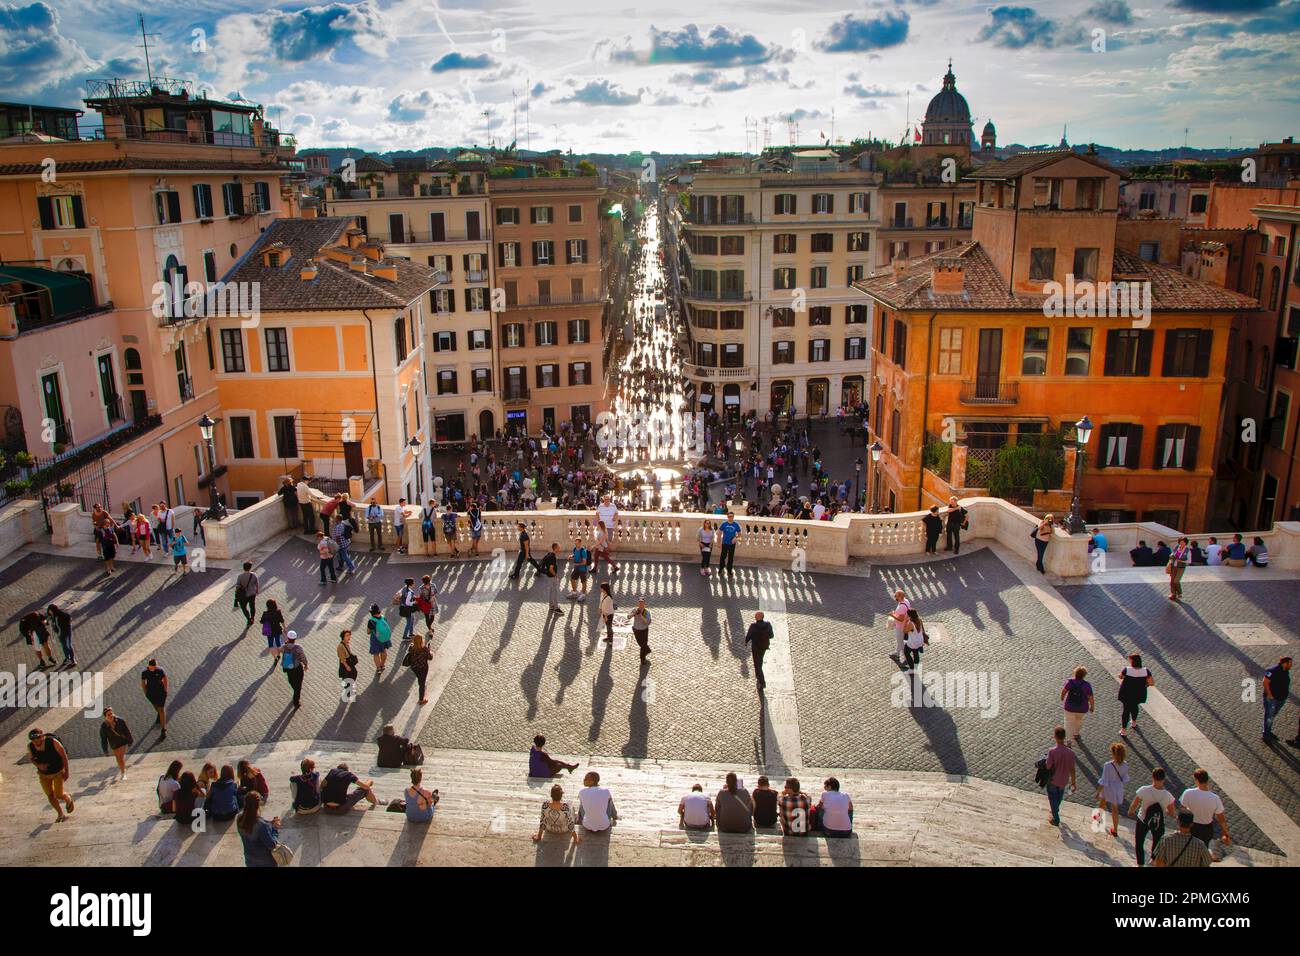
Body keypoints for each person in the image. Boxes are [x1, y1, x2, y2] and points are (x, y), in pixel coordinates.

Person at [1130, 767, 1176, 867]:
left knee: (1139, 843)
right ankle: (1154, 860)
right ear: (1164, 779)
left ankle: (1140, 864)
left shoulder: (1144, 790)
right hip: (1158, 822)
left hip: (1143, 819)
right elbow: (1172, 812)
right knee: (1157, 842)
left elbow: (1135, 804)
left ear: (1152, 777)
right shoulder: (1168, 796)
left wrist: (1131, 811)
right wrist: (1166, 810)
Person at [1179, 768, 1231, 855]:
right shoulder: (1215, 798)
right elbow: (1221, 819)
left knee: (1188, 849)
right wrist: (1226, 833)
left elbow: (1182, 811)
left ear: (1196, 780)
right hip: (1206, 829)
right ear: (1207, 780)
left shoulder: (1188, 793)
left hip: (1191, 826)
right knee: (1202, 850)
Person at [28, 728, 74, 822]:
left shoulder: (52, 742)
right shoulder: (30, 746)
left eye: (38, 738)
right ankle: (60, 814)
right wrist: (39, 765)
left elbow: (64, 756)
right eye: (33, 739)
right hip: (44, 775)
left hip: (57, 771)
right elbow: (32, 758)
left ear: (43, 736)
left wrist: (67, 771)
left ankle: (67, 798)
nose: (36, 741)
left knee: (59, 794)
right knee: (50, 795)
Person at [237, 792, 282, 868]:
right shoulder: (261, 825)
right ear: (258, 805)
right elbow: (272, 845)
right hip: (265, 862)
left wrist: (270, 824)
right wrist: (275, 828)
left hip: (249, 859)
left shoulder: (240, 818)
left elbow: (252, 825)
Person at [1095, 741, 1129, 837]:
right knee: (1115, 809)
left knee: (1102, 804)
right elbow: (1125, 778)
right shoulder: (1125, 765)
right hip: (1118, 788)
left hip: (1108, 788)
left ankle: (1098, 821)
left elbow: (1104, 780)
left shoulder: (1108, 765)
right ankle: (1115, 829)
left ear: (1113, 754)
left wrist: (1098, 792)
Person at [1045, 726, 1076, 827]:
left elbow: (1048, 766)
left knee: (1052, 798)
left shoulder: (1052, 751)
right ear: (1064, 737)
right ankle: (1055, 811)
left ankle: (1056, 818)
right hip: (1064, 780)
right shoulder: (1071, 753)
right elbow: (1072, 769)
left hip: (1053, 780)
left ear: (1055, 737)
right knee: (1059, 798)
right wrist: (1073, 782)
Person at [1117, 653, 1153, 737]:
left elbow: (1121, 676)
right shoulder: (1145, 671)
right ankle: (1133, 722)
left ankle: (1123, 730)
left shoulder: (1127, 670)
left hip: (1126, 692)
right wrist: (1145, 684)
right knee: (1134, 706)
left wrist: (1120, 675)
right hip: (1138, 693)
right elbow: (1151, 683)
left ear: (1132, 661)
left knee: (1126, 710)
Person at [1061, 666, 1095, 742]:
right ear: (1084, 675)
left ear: (1075, 673)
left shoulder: (1070, 682)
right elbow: (1090, 697)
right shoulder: (1087, 685)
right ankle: (1076, 733)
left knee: (1068, 723)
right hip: (1082, 708)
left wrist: (1062, 697)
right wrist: (1092, 706)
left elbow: (1064, 691)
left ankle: (1069, 740)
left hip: (1069, 707)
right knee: (1079, 720)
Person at [1261, 656, 1291, 742]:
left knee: (1272, 716)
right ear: (1285, 663)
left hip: (1281, 698)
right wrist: (1270, 695)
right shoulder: (1272, 670)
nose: (1291, 665)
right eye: (1290, 663)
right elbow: (1265, 682)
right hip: (1272, 699)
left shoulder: (1286, 671)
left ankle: (1267, 731)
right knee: (1269, 716)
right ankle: (1266, 735)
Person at [98, 707, 134, 780]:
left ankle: (123, 773)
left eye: (111, 713)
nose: (111, 715)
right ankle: (122, 769)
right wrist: (105, 751)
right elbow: (103, 739)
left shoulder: (120, 721)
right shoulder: (104, 726)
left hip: (122, 741)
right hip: (113, 744)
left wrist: (130, 741)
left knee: (120, 757)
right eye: (108, 715)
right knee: (118, 758)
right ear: (105, 717)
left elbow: (127, 731)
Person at [744, 610, 773, 690]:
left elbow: (749, 636)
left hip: (755, 648)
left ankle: (761, 681)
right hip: (764, 647)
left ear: (756, 618)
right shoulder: (768, 625)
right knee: (760, 662)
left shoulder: (753, 626)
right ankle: (759, 678)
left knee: (757, 665)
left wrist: (746, 641)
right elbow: (771, 635)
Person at [141, 658, 169, 740]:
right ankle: (159, 715)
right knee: (156, 706)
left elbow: (165, 679)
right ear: (149, 666)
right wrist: (146, 693)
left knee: (161, 709)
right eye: (152, 667)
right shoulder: (144, 672)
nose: (153, 668)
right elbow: (143, 683)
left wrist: (165, 690)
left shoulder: (160, 670)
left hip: (160, 692)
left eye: (155, 667)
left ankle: (163, 729)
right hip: (151, 693)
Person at [403, 631, 433, 705]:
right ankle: (421, 700)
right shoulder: (424, 649)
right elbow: (430, 658)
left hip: (414, 667)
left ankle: (421, 682)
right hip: (423, 667)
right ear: (421, 641)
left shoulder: (411, 648)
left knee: (419, 677)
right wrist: (430, 652)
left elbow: (410, 652)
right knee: (422, 684)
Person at [280, 632, 308, 709]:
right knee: (298, 686)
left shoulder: (284, 647)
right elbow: (303, 657)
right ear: (295, 639)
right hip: (297, 668)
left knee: (291, 681)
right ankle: (296, 702)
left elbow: (280, 650)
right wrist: (305, 664)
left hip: (288, 669)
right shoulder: (298, 648)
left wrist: (286, 644)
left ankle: (295, 691)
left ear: (288, 638)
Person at [45, 603, 74, 668]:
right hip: (60, 633)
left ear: (52, 610)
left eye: (50, 611)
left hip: (66, 632)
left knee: (69, 645)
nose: (49, 612)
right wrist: (46, 621)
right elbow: (48, 619)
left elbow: (69, 618)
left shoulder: (62, 614)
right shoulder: (53, 615)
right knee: (64, 646)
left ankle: (72, 660)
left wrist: (65, 626)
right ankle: (67, 658)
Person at [367, 604, 393, 675]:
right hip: (384, 638)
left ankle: (378, 668)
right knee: (383, 651)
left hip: (376, 639)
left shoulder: (371, 621)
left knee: (376, 654)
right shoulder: (383, 617)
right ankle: (382, 665)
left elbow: (368, 632)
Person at [889, 589, 911, 665]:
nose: (895, 598)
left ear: (900, 597)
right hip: (903, 625)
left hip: (900, 627)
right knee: (899, 641)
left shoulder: (902, 606)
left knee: (901, 643)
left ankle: (906, 659)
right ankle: (896, 654)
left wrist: (893, 614)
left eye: (896, 596)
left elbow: (901, 619)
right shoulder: (906, 601)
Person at [234, 562, 259, 627]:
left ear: (243, 568)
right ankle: (252, 618)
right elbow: (256, 583)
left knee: (244, 608)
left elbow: (237, 586)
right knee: (252, 606)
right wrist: (257, 590)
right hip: (252, 594)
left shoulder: (240, 576)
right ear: (250, 568)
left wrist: (236, 593)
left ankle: (248, 619)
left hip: (243, 595)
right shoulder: (254, 575)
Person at [540, 542, 562, 615]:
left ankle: (551, 606)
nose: (560, 548)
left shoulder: (549, 554)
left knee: (551, 590)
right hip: (552, 576)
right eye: (559, 547)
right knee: (555, 591)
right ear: (555, 548)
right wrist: (555, 575)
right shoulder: (552, 557)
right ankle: (556, 608)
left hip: (548, 575)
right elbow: (551, 569)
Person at [903, 607, 926, 673]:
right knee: (916, 654)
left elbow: (904, 631)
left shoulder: (911, 623)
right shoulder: (919, 620)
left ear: (910, 615)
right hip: (919, 640)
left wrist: (905, 621)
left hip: (913, 642)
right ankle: (915, 669)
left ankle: (911, 669)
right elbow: (922, 630)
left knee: (906, 653)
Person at [717, 511, 741, 577]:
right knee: (723, 557)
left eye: (732, 516)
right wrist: (718, 543)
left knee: (731, 557)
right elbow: (719, 533)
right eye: (729, 516)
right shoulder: (724, 524)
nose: (730, 518)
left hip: (732, 544)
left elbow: (740, 534)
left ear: (733, 517)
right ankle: (721, 568)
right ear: (727, 517)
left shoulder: (736, 524)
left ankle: (729, 570)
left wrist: (736, 538)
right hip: (725, 543)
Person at [1166, 536, 1190, 601]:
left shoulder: (1187, 550)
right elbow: (1172, 553)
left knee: (1176, 581)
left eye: (1183, 542)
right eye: (1180, 542)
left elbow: (1189, 561)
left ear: (1186, 543)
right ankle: (1173, 594)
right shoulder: (1177, 547)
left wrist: (1181, 561)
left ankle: (1179, 593)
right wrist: (1171, 556)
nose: (1182, 544)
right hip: (1173, 566)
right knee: (1172, 581)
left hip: (1181, 567)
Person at [630, 597, 653, 664]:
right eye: (639, 603)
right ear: (638, 604)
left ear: (644, 604)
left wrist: (641, 616)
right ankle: (647, 650)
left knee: (643, 645)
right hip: (636, 630)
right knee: (640, 644)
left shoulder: (646, 612)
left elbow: (647, 622)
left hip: (644, 630)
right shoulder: (635, 610)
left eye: (642, 603)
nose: (640, 605)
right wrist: (633, 614)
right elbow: (628, 617)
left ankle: (642, 659)